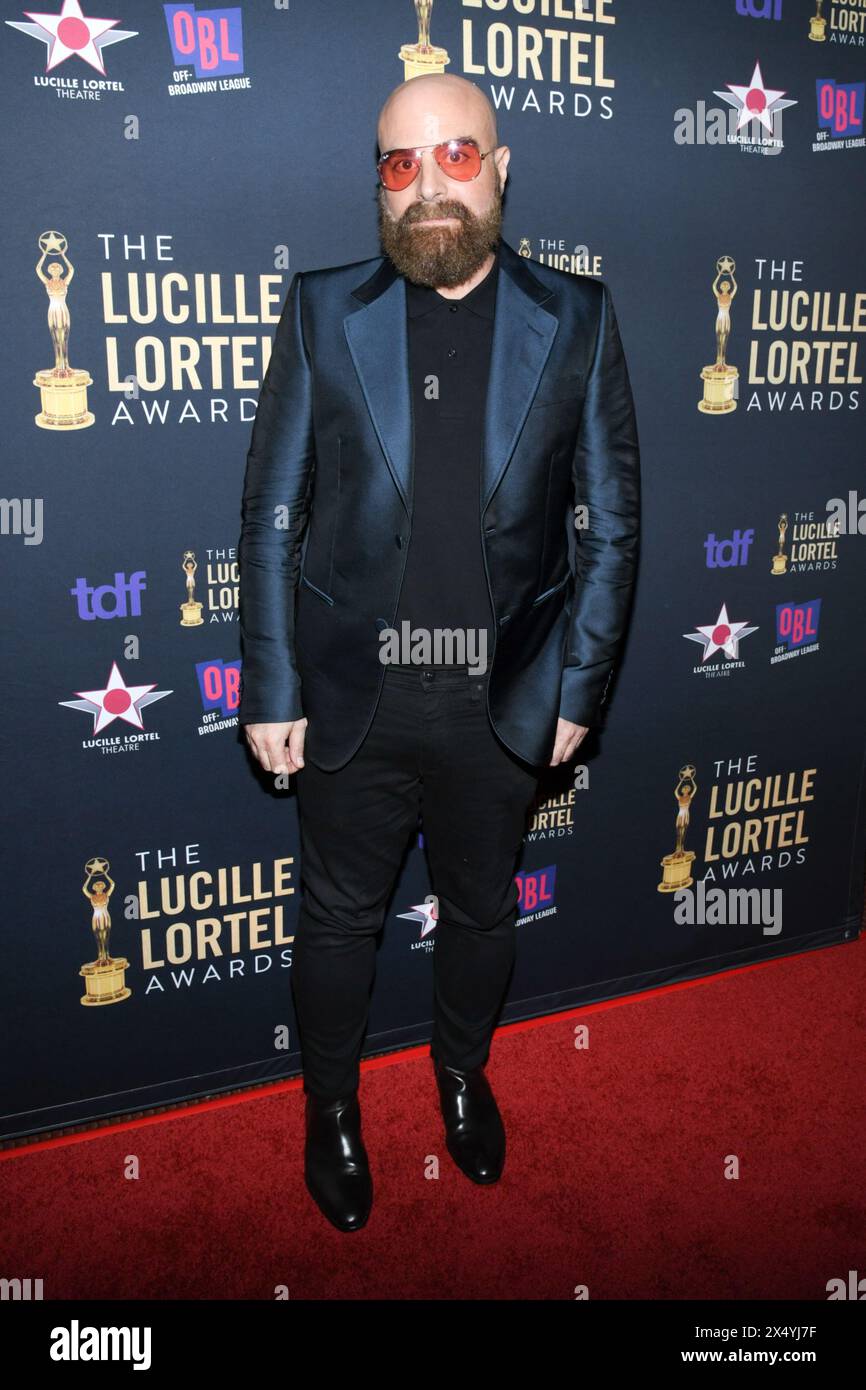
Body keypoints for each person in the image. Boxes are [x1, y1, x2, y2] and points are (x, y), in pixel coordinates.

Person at [237, 73, 641, 1232]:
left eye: (456, 155)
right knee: (337, 923)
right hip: (349, 697)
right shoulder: (322, 310)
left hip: (503, 699)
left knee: (477, 914)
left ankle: (460, 1076)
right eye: (399, 163)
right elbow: (270, 510)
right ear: (379, 180)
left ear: (500, 168)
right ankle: (330, 1109)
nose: (427, 187)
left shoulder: (578, 316)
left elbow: (610, 523)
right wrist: (269, 679)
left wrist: (579, 682)